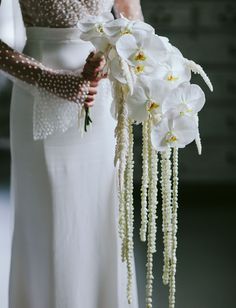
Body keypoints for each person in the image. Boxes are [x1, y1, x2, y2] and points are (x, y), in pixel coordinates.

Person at [0, 0, 144, 307]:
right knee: (50, 217)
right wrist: (50, 79)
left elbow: (133, 25)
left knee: (103, 213)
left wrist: (112, 59)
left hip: (101, 98)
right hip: (36, 88)